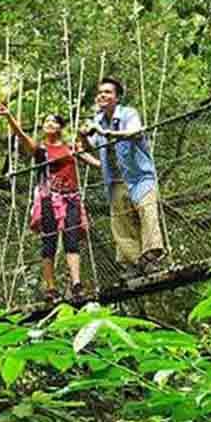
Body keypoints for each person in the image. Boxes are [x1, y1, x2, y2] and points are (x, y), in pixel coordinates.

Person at [0, 104, 99, 302]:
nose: (50, 124)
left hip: (71, 197)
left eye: (54, 121)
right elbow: (21, 137)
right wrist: (9, 116)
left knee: (71, 239)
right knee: (49, 242)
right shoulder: (41, 150)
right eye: (46, 121)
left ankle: (77, 283)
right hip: (48, 198)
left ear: (60, 127)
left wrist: (105, 164)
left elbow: (90, 156)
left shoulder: (70, 148)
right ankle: (51, 287)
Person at [81, 77, 164, 279]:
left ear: (117, 98)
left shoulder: (128, 114)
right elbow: (91, 146)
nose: (102, 95)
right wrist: (83, 136)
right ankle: (135, 263)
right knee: (121, 223)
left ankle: (151, 257)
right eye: (100, 92)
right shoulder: (98, 121)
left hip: (140, 176)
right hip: (115, 180)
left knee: (147, 212)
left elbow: (136, 132)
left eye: (108, 92)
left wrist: (106, 132)